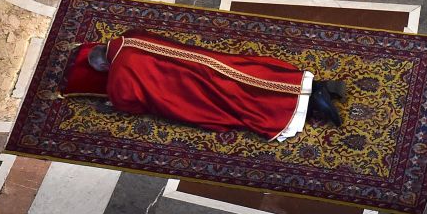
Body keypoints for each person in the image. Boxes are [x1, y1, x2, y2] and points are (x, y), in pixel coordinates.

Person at [67, 28, 344, 141]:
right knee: (245, 71)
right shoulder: (130, 37)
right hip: (204, 61)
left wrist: (110, 102)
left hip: (191, 89)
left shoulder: (118, 76)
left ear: (104, 66)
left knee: (233, 100)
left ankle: (312, 105)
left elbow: (130, 102)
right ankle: (315, 85)